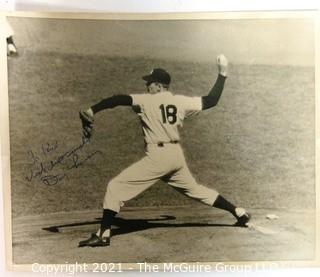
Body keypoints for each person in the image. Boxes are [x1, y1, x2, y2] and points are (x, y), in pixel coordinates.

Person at [78, 54, 250, 247]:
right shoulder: (181, 102)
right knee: (195, 190)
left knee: (115, 187)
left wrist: (93, 110)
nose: (147, 87)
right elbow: (211, 100)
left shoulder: (146, 101)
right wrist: (222, 74)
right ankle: (238, 212)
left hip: (158, 157)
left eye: (149, 83)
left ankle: (104, 233)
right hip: (176, 157)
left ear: (159, 86)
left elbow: (118, 99)